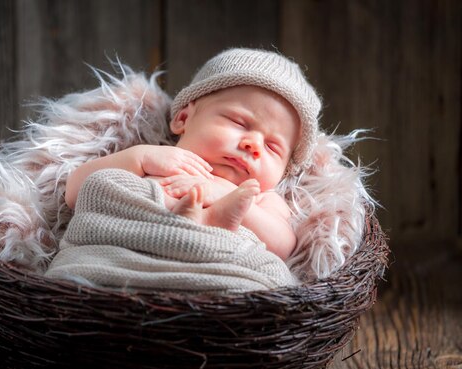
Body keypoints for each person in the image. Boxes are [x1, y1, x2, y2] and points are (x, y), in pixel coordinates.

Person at [64, 48, 321, 261]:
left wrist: (227, 196)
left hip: (211, 280)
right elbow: (76, 191)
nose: (253, 144)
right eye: (240, 123)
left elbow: (282, 246)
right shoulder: (158, 161)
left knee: (268, 269)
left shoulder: (262, 198)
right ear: (184, 118)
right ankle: (178, 220)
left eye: (272, 147)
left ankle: (197, 227)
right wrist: (140, 158)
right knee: (104, 185)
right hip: (117, 260)